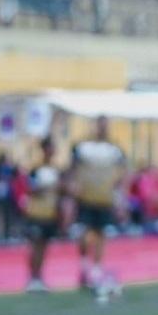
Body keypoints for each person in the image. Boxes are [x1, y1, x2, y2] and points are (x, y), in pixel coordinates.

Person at [69, 116, 126, 295]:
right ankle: (85, 264)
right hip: (86, 197)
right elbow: (73, 168)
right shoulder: (84, 147)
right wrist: (73, 189)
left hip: (104, 198)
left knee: (101, 233)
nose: (103, 128)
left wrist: (120, 198)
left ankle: (96, 269)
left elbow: (122, 173)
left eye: (106, 125)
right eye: (101, 125)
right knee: (85, 234)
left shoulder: (114, 149)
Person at [20, 137, 63, 293]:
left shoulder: (57, 170)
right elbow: (29, 189)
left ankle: (39, 277)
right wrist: (44, 188)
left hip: (50, 213)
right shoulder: (36, 169)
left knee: (44, 247)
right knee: (35, 246)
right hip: (36, 213)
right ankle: (32, 277)